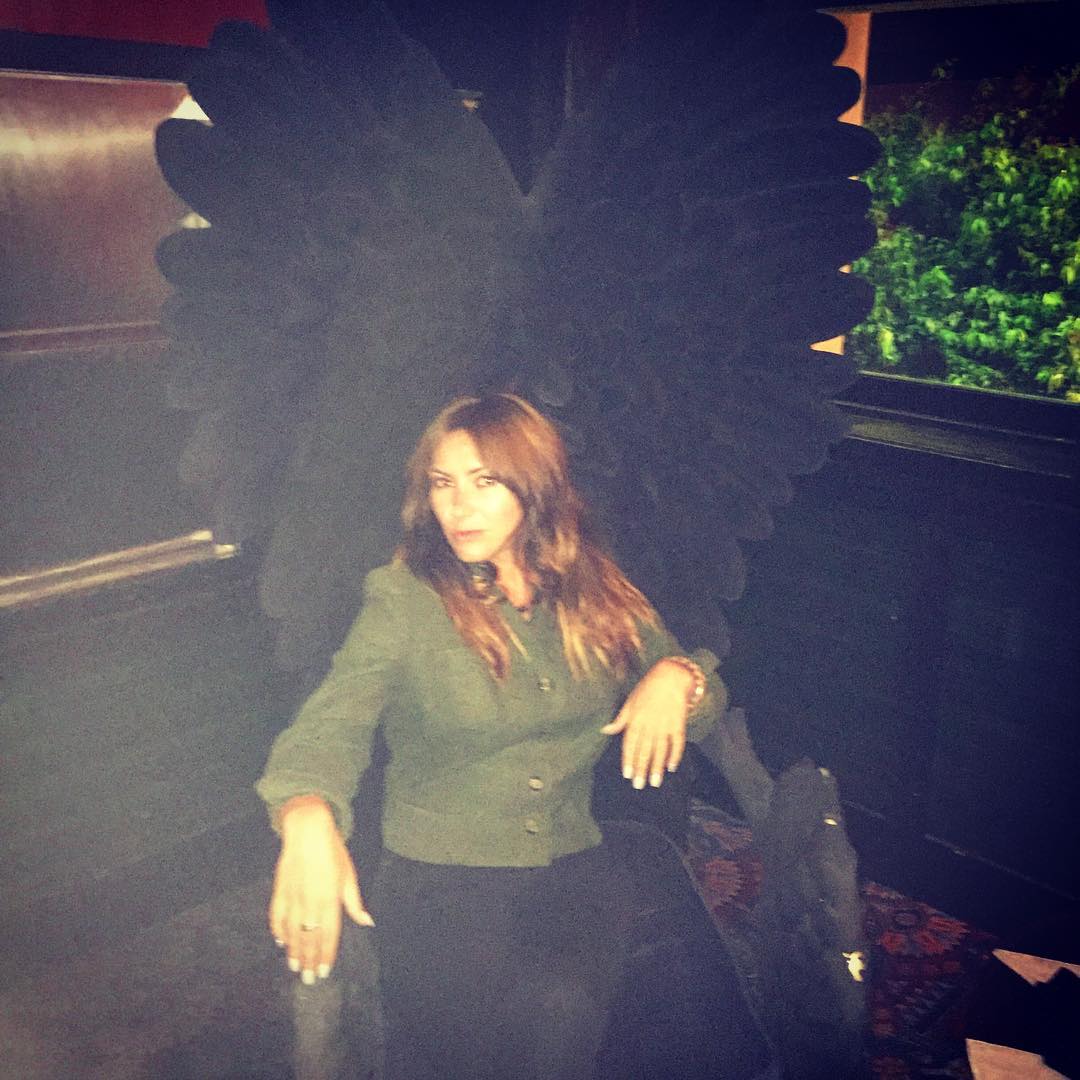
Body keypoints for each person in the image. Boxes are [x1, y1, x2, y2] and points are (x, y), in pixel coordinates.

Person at [255, 392, 771, 1079]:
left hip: (570, 856)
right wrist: (307, 812)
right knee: (531, 1026)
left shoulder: (592, 588)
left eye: (484, 482)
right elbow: (332, 722)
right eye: (443, 483)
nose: (457, 507)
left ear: (535, 488)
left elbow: (701, 704)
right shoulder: (405, 600)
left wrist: (678, 676)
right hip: (442, 878)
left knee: (658, 1010)